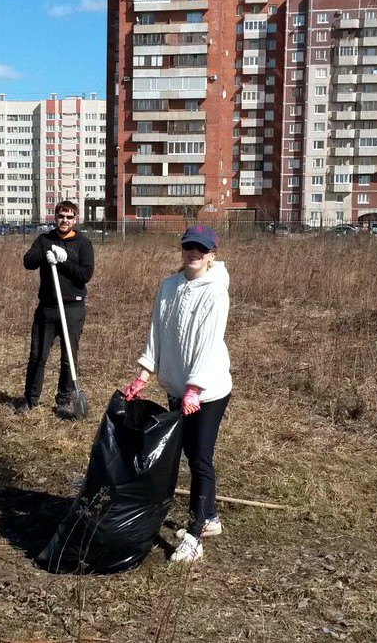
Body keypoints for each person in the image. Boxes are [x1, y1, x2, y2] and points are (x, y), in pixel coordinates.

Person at [122, 225, 232, 563]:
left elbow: (209, 343)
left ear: (212, 254)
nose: (194, 253)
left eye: (201, 249)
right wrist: (144, 373)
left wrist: (195, 388)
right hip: (176, 385)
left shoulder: (215, 291)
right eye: (189, 247)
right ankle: (210, 517)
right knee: (183, 452)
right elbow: (157, 329)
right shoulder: (169, 286)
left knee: (199, 457)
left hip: (208, 390)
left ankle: (196, 534)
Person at [17, 200, 95, 416]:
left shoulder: (83, 243)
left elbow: (85, 275)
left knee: (69, 356)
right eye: (61, 216)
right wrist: (45, 253)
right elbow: (28, 262)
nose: (65, 220)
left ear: (75, 219)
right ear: (55, 217)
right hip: (48, 308)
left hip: (73, 307)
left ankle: (64, 399)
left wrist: (64, 260)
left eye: (69, 217)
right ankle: (30, 400)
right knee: (37, 355)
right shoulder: (45, 240)